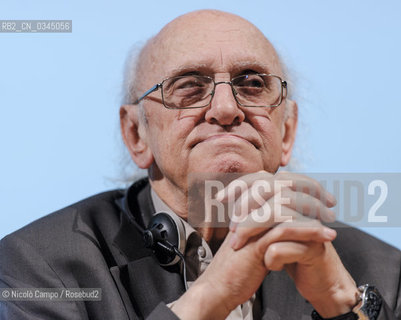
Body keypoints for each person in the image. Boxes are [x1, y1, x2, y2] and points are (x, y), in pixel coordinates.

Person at [0, 9, 400, 320]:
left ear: (287, 132)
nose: (226, 108)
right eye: (189, 86)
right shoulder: (39, 264)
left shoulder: (379, 269)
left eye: (253, 84)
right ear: (137, 134)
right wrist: (212, 296)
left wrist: (340, 306)